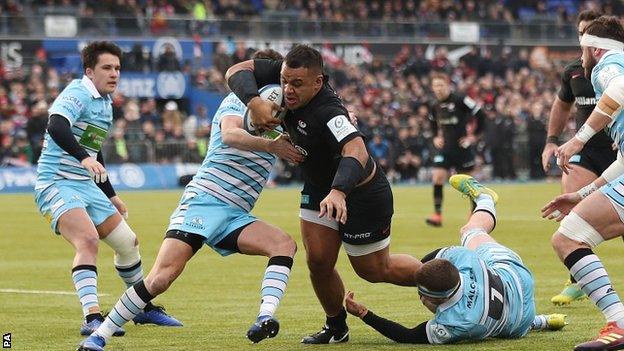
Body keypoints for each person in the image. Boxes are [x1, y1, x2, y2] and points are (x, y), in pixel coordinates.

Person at [78, 49, 305, 351]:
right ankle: (99, 336)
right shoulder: (237, 100)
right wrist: (271, 147)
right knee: (161, 278)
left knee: (283, 244)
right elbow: (230, 136)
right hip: (206, 200)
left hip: (235, 214)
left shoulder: (285, 116)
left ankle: (264, 318)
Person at [225, 44, 423, 344]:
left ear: (318, 82)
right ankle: (336, 327)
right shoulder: (286, 72)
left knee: (373, 269)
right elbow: (235, 71)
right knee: (318, 261)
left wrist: (339, 192)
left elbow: (356, 150)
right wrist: (253, 102)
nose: (287, 89)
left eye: (297, 84)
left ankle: (449, 282)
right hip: (319, 189)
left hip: (360, 192)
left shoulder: (328, 111)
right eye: (284, 81)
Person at [33, 41, 181, 339]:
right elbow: (56, 125)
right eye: (107, 68)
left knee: (128, 242)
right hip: (55, 183)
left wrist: (110, 194)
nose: (114, 74)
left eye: (117, 68)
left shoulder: (104, 103)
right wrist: (83, 157)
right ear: (89, 71)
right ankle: (91, 317)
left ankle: (140, 307)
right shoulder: (78, 92)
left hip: (86, 186)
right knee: (88, 240)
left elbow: (94, 149)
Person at [346, 175, 567, 344]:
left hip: (520, 321)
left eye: (423, 294)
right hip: (514, 276)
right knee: (471, 230)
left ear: (438, 298)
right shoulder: (465, 261)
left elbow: (409, 336)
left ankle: (485, 197)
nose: (420, 296)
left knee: (505, 325)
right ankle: (484, 200)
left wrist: (365, 314)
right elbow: (434, 261)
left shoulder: (458, 322)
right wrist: (426, 273)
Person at [541, 16, 624, 351]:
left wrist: (577, 140)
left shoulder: (608, 65)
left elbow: (619, 89)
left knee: (569, 237)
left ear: (592, 47)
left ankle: (618, 322)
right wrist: (584, 193)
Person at [426, 71, 486, 227]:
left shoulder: (460, 99)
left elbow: (480, 114)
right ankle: (437, 215)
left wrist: (473, 136)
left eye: (441, 85)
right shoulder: (434, 105)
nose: (438, 89)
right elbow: (432, 122)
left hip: (461, 147)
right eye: (435, 86)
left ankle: (474, 215)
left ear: (448, 86)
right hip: (445, 148)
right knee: (437, 177)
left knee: (469, 184)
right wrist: (435, 137)